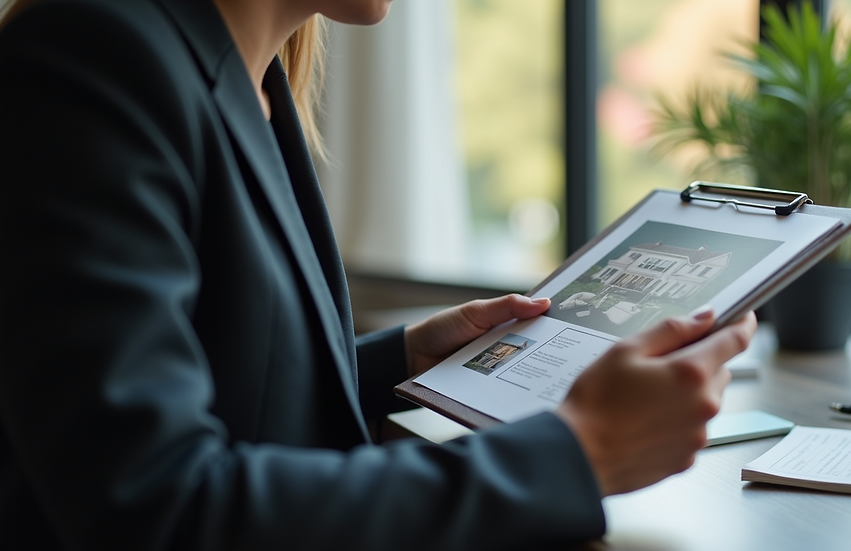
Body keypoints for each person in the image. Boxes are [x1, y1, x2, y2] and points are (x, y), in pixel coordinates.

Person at [0, 0, 757, 549]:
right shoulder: (90, 55)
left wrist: (400, 361)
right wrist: (579, 452)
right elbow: (151, 507)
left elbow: (221, 385)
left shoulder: (256, 83)